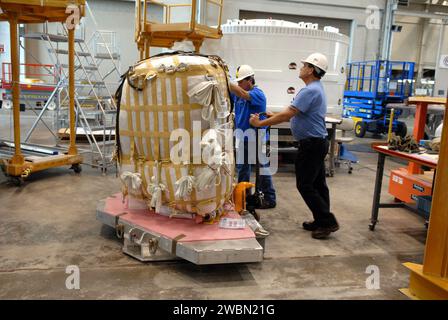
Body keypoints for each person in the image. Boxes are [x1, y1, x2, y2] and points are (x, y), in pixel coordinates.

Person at [249, 53, 339, 239]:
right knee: (318, 185)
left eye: (304, 65)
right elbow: (294, 113)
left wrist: (260, 124)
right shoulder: (315, 88)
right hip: (317, 142)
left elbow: (288, 115)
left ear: (312, 69)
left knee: (305, 185)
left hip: (312, 144)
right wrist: (272, 114)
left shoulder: (309, 91)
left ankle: (327, 221)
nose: (301, 67)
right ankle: (321, 220)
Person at [229, 64, 277, 209]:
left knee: (263, 168)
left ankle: (269, 198)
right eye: (237, 82)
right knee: (242, 168)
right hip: (243, 137)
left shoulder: (258, 94)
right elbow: (231, 92)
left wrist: (226, 79)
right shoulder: (239, 93)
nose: (239, 84)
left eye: (241, 81)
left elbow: (243, 94)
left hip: (257, 137)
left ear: (250, 80)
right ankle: (244, 197)